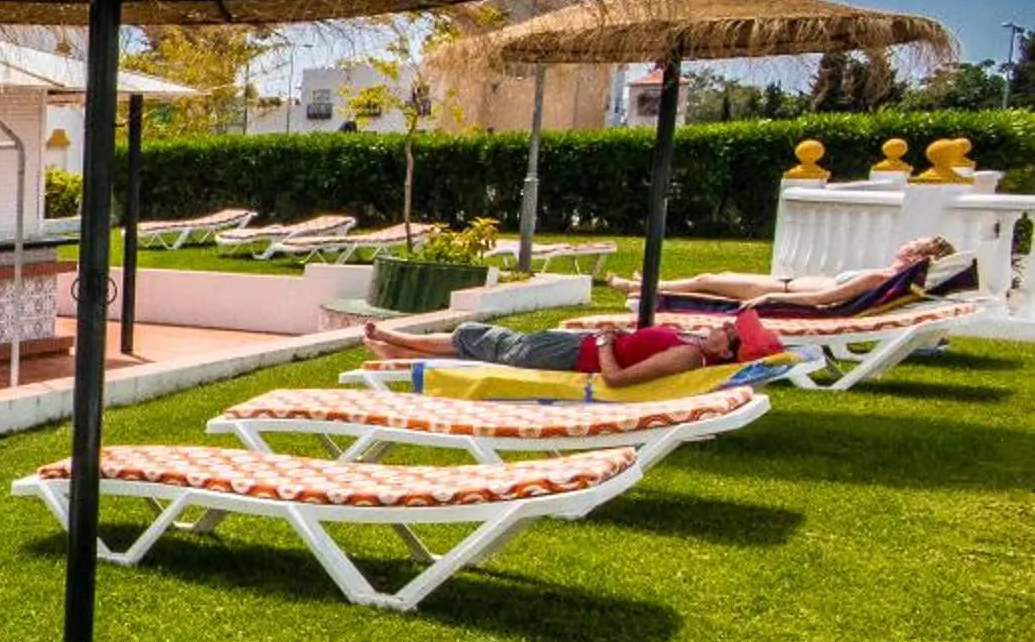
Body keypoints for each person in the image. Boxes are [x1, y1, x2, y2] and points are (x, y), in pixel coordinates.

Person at [362, 314, 751, 388]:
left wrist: (603, 341)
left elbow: (615, 379)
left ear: (726, 351)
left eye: (729, 332)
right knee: (488, 350)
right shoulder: (694, 345)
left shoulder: (689, 358)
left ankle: (394, 337)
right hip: (571, 348)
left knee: (479, 337)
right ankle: (397, 355)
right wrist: (616, 335)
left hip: (569, 358)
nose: (722, 326)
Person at [614, 235, 950, 307]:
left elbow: (827, 297)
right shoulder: (888, 277)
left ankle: (646, 288)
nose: (906, 242)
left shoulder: (880, 279)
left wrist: (773, 297)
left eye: (914, 243)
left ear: (918, 254)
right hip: (785, 285)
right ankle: (647, 287)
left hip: (785, 292)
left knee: (708, 283)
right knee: (721, 275)